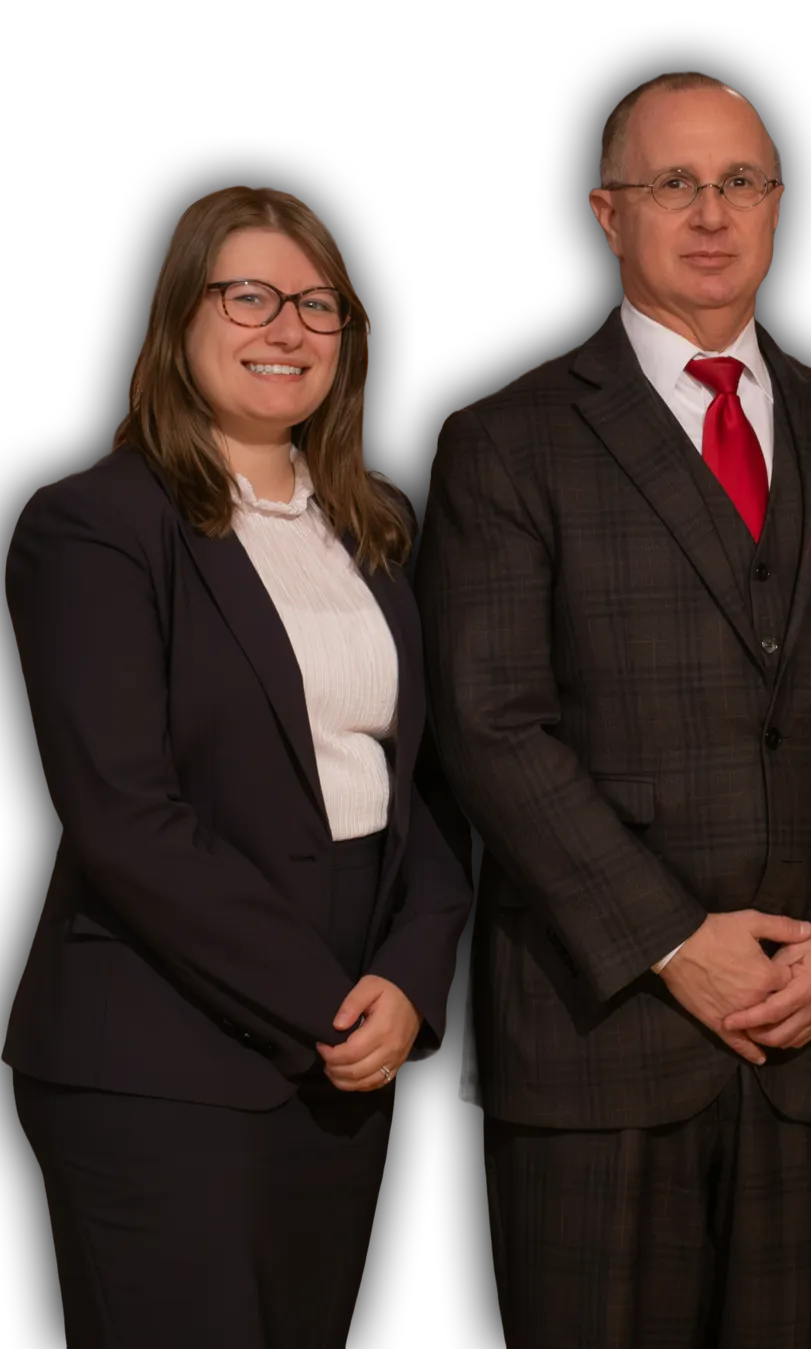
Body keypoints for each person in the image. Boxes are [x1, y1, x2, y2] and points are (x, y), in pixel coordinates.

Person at [416, 72, 811, 1348]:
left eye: (740, 183)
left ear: (778, 208)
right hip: (598, 1043)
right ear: (607, 215)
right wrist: (671, 938)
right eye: (673, 185)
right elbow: (494, 725)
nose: (710, 214)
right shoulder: (506, 439)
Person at [4, 186, 472, 1348]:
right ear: (180, 317)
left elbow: (423, 791)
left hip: (349, 1055)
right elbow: (125, 817)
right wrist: (323, 996)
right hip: (161, 1057)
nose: (290, 328)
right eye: (251, 294)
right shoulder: (96, 524)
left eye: (320, 305)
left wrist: (410, 984)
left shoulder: (373, 525)